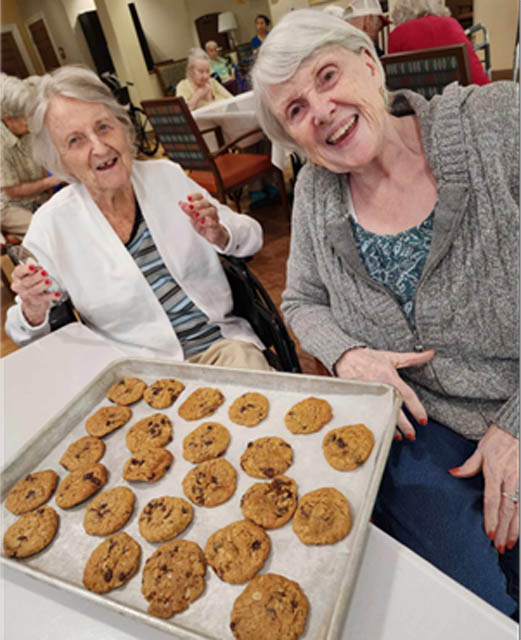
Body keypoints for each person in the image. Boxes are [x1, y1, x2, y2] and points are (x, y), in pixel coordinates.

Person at [251, 9, 519, 616]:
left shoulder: (496, 126)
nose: (319, 111)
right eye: (295, 111)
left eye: (326, 77)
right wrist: (347, 354)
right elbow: (299, 300)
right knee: (468, 607)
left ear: (370, 66)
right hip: (419, 430)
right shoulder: (317, 195)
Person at [5, 65, 272, 372]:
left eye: (104, 127)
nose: (100, 147)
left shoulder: (167, 177)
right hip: (139, 376)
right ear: (57, 158)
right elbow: (20, 331)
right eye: (75, 140)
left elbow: (252, 235)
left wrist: (221, 232)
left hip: (221, 350)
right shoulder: (52, 224)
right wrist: (33, 309)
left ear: (123, 126)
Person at [0, 73, 63, 243]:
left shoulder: (27, 129)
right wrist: (51, 182)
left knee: (65, 219)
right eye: (26, 118)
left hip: (35, 195)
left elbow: (41, 163)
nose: (32, 121)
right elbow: (12, 192)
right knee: (45, 232)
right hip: (8, 205)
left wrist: (51, 192)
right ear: (8, 119)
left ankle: (17, 237)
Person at [388, 0, 491, 86]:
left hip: (422, 105)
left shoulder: (396, 35)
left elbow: (393, 82)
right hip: (472, 96)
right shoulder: (451, 23)